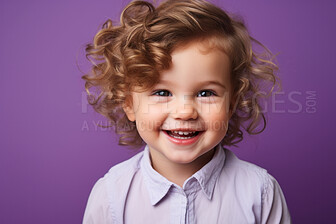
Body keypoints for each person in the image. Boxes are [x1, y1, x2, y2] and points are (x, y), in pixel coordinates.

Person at [82, 0, 291, 223]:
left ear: (231, 105)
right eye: (162, 93)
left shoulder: (260, 192)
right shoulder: (111, 195)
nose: (185, 112)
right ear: (129, 104)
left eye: (206, 93)